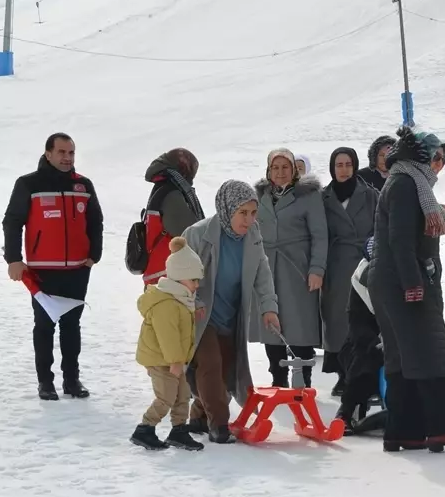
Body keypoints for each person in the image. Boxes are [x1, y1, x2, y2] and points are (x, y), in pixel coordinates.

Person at [369, 127, 445, 451]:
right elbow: (400, 239)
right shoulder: (405, 184)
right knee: (426, 353)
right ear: (419, 156)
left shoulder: (410, 182)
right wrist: (413, 283)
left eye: (444, 158)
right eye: (435, 156)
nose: (439, 163)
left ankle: (403, 431)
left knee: (403, 360)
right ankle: (444, 428)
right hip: (402, 281)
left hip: (394, 280)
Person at [3, 133, 103, 400]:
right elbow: (12, 221)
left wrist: (95, 255)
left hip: (78, 269)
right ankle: (45, 382)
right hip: (42, 269)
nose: (67, 158)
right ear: (48, 154)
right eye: (61, 152)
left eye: (71, 153)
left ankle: (72, 380)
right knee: (44, 326)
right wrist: (13, 259)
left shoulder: (83, 185)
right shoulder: (29, 184)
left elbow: (95, 222)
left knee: (72, 326)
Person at [183, 180, 280, 443]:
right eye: (242, 213)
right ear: (227, 209)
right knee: (210, 364)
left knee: (224, 370)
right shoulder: (197, 234)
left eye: (253, 213)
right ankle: (219, 426)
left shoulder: (252, 235)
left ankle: (200, 415)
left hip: (231, 314)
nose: (248, 220)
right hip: (201, 315)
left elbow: (262, 273)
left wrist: (269, 308)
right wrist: (193, 302)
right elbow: (180, 273)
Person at [251, 149, 327, 388]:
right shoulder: (260, 196)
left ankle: (303, 379)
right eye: (275, 168)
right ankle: (278, 378)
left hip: (297, 267)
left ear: (294, 170)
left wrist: (317, 269)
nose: (280, 173)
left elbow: (320, 235)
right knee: (271, 324)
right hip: (266, 267)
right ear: (268, 170)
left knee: (299, 325)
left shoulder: (308, 195)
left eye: (285, 167)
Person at [131, 237, 206, 451]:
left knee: (183, 394)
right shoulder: (167, 303)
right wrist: (175, 361)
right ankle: (144, 429)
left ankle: (179, 430)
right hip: (161, 359)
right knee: (166, 397)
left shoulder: (182, 299)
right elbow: (168, 335)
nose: (196, 285)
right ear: (180, 278)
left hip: (176, 359)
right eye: (193, 280)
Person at [321, 147, 379, 396]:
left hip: (364, 264)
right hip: (335, 265)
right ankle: (342, 373)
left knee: (362, 321)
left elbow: (380, 226)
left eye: (347, 164)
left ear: (355, 166)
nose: (343, 170)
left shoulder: (370, 195)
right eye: (338, 165)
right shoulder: (323, 198)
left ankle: (363, 374)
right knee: (336, 322)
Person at [333, 257, 385, 430]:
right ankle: (346, 411)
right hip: (365, 338)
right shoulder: (362, 276)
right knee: (366, 358)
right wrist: (378, 342)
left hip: (400, 335)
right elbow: (358, 325)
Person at [140, 148, 204, 285]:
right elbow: (189, 232)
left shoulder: (162, 189)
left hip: (161, 273)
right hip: (169, 277)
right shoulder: (171, 194)